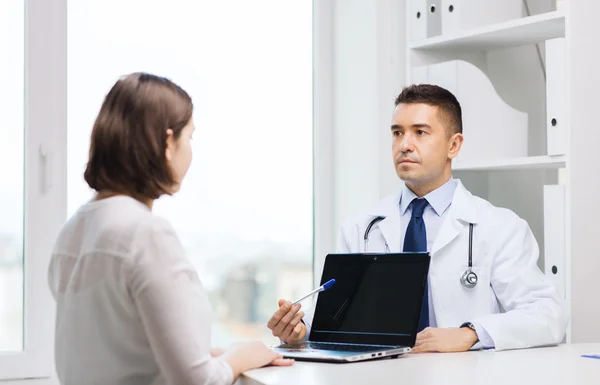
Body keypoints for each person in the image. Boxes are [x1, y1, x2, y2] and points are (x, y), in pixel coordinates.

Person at [267, 84, 569, 352]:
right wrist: (300, 331)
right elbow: (336, 318)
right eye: (397, 132)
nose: (404, 144)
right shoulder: (362, 228)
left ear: (454, 145)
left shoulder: (499, 227)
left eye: (420, 132)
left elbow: (548, 314)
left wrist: (471, 333)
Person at [48, 73, 293, 385]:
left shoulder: (73, 231)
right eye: (189, 137)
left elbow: (122, 350)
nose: (190, 151)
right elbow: (197, 381)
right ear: (167, 143)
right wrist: (245, 354)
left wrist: (214, 355)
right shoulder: (144, 235)